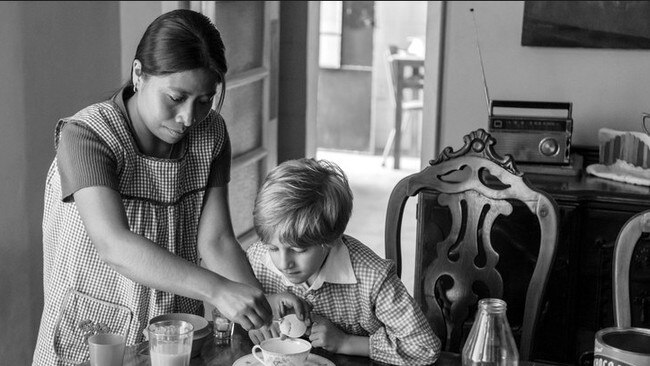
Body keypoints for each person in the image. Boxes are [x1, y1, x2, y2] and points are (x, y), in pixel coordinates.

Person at [33, 9, 307, 366]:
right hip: (95, 332)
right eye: (176, 98)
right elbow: (113, 244)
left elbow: (216, 240)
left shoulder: (211, 134)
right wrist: (219, 290)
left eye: (205, 100)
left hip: (177, 332)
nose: (188, 118)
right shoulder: (87, 136)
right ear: (138, 75)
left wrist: (256, 299)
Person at [246, 158, 441, 365]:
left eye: (299, 250)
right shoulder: (258, 258)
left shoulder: (372, 277)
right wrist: (256, 320)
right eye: (273, 248)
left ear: (330, 238)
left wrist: (345, 342)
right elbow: (224, 309)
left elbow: (424, 347)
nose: (284, 263)